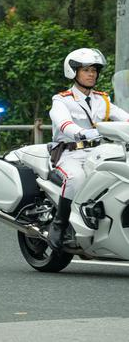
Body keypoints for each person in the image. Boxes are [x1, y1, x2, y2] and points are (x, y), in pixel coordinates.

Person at [47, 47, 129, 249]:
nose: (91, 74)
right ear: (73, 72)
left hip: (98, 151)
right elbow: (63, 123)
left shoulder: (103, 99)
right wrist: (80, 132)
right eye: (85, 70)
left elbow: (124, 117)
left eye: (94, 70)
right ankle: (59, 224)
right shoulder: (62, 100)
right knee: (76, 179)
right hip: (70, 153)